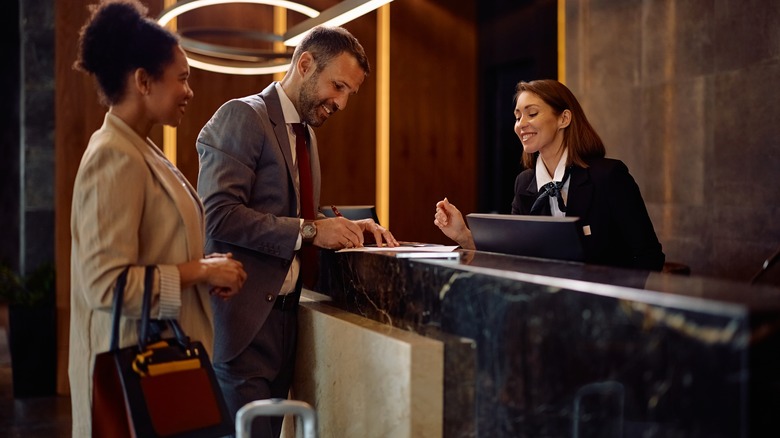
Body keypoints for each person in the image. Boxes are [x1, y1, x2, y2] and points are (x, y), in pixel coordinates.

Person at [196, 25, 399, 437]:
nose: (341, 103)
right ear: (304, 64)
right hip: (244, 327)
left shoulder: (304, 132)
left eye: (348, 94)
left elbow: (284, 211)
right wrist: (310, 231)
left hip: (287, 325)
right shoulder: (242, 115)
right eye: (337, 86)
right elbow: (218, 215)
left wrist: (337, 222)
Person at [68, 1, 247, 436]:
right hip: (135, 377)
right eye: (182, 78)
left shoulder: (142, 148)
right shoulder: (114, 155)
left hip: (162, 374)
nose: (190, 91)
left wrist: (203, 275)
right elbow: (106, 285)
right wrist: (200, 270)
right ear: (143, 81)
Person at [435, 79, 665, 271]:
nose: (520, 125)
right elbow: (511, 259)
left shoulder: (609, 176)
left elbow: (649, 256)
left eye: (531, 113)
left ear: (564, 119)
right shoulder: (524, 183)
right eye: (517, 117)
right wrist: (464, 235)